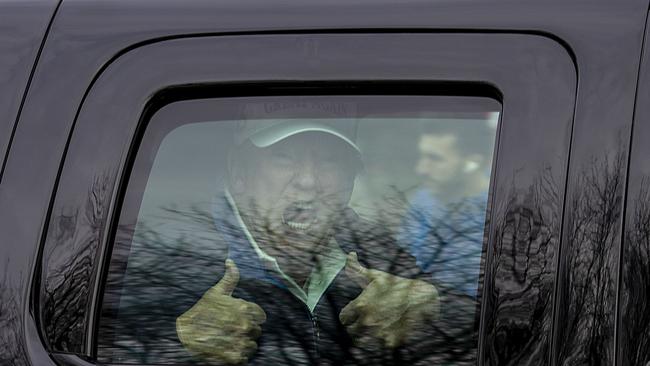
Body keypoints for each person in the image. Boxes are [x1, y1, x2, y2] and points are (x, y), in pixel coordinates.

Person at [174, 101, 440, 365]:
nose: (308, 181)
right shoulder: (184, 256)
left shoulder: (377, 252)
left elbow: (472, 319)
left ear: (349, 181)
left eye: (330, 161)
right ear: (238, 170)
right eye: (284, 157)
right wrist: (180, 343)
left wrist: (432, 307)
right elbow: (139, 331)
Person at [399, 118, 495, 299]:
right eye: (422, 156)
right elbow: (400, 270)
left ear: (472, 163)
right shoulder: (422, 201)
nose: (421, 169)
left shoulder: (503, 212)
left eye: (435, 159)